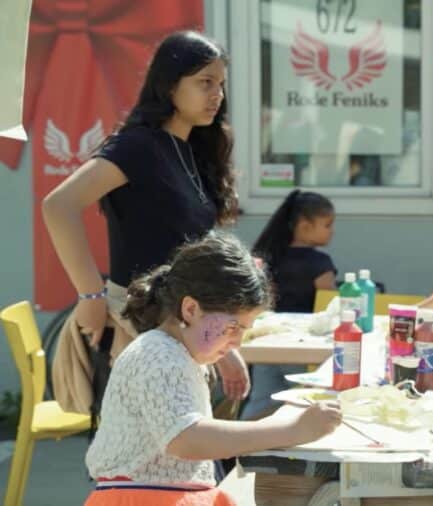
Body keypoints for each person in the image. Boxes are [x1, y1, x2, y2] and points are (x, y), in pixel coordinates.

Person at [43, 31, 251, 414]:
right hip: (136, 322)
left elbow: (191, 254)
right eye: (205, 82)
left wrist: (223, 342)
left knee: (186, 444)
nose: (217, 95)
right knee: (142, 445)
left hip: (181, 324)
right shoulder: (138, 146)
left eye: (220, 84)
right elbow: (59, 206)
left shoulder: (193, 150)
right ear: (169, 85)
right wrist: (90, 295)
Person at [83, 233, 341, 505]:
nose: (238, 342)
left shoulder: (177, 354)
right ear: (190, 309)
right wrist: (290, 430)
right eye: (233, 327)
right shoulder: (157, 355)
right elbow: (187, 439)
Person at [242, 190, 336, 419]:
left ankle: (243, 437)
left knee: (261, 400)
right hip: (304, 346)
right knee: (303, 402)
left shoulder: (268, 258)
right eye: (327, 225)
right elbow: (328, 304)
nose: (332, 231)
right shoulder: (320, 263)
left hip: (267, 342)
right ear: (305, 226)